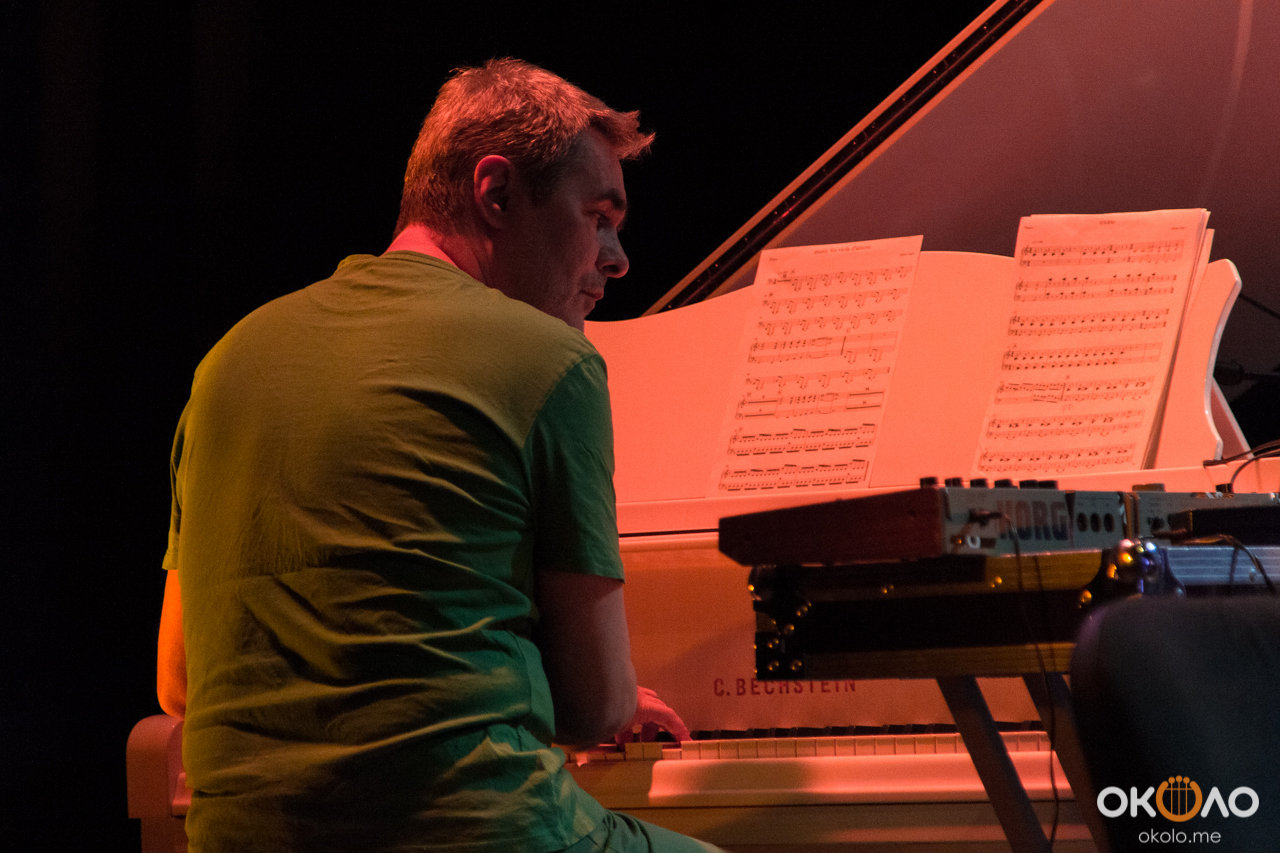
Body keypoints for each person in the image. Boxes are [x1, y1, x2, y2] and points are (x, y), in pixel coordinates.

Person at [156, 59, 721, 853]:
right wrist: (611, 697)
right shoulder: (550, 361)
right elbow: (594, 707)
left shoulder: (226, 362)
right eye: (598, 216)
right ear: (497, 193)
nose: (617, 257)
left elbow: (180, 681)